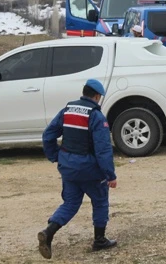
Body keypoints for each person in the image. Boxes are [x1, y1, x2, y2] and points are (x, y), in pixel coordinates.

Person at [38, 79, 118, 259]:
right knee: (100, 201)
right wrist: (110, 175)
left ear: (84, 93)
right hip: (90, 170)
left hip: (68, 167)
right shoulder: (96, 117)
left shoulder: (67, 111)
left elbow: (48, 135)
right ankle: (99, 240)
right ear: (97, 96)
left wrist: (55, 156)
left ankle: (49, 232)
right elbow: (103, 150)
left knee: (70, 203)